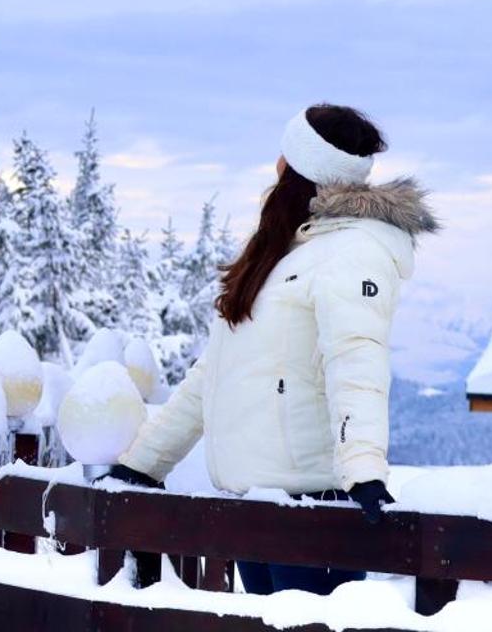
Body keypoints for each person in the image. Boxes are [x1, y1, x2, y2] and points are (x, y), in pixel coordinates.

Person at [110, 104, 438, 597]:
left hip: (315, 507)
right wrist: (144, 463)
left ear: (302, 169)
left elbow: (357, 360)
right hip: (258, 503)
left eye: (284, 157)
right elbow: (215, 375)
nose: (276, 165)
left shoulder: (355, 251)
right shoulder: (285, 252)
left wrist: (364, 469)